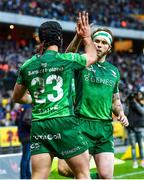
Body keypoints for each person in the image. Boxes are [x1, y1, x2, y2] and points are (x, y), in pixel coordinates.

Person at [12, 11, 98, 179]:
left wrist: (33, 98)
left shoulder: (27, 66)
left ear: (40, 39)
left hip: (40, 125)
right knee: (82, 174)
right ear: (59, 39)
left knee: (38, 176)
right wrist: (86, 36)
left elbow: (17, 97)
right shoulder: (67, 60)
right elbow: (92, 56)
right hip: (63, 121)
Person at [58, 27, 129, 179]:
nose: (99, 45)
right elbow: (67, 56)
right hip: (82, 125)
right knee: (64, 170)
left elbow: (115, 99)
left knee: (106, 176)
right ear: (90, 43)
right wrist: (78, 37)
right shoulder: (82, 62)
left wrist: (121, 113)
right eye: (96, 41)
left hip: (104, 128)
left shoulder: (114, 71)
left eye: (103, 43)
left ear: (109, 48)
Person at [126, 91, 144, 168]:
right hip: (131, 129)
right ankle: (134, 162)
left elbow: (142, 112)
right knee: (133, 146)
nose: (138, 96)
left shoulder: (141, 103)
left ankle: (142, 161)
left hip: (140, 128)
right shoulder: (129, 105)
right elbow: (125, 113)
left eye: (139, 95)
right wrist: (128, 104)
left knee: (141, 146)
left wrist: (135, 102)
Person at [16, 104, 32, 179]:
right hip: (27, 136)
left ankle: (27, 176)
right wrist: (36, 127)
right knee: (26, 157)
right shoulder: (29, 107)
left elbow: (17, 120)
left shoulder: (22, 106)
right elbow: (27, 120)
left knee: (27, 157)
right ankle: (24, 177)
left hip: (22, 134)